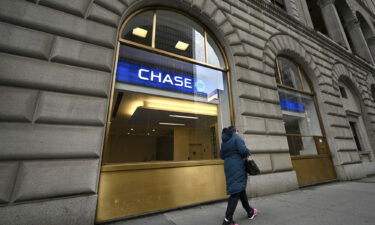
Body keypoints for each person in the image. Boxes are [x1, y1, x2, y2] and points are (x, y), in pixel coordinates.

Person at [220, 126, 258, 225]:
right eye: (237, 131)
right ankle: (227, 220)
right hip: (237, 167)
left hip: (229, 167)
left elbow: (222, 156)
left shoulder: (224, 142)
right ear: (234, 131)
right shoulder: (236, 138)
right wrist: (248, 150)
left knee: (240, 190)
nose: (238, 132)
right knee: (235, 193)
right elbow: (243, 151)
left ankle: (250, 211)